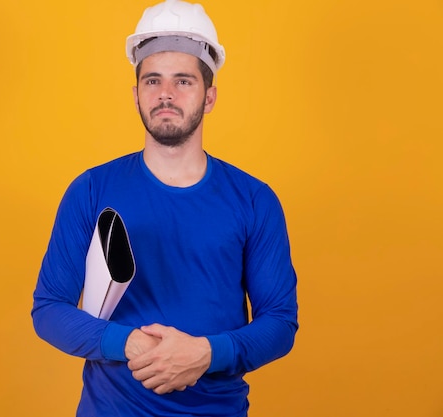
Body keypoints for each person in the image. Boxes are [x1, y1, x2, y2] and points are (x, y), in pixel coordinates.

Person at [31, 0, 298, 415]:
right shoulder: (90, 189)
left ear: (209, 97)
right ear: (136, 93)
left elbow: (280, 323)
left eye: (183, 81)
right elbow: (48, 309)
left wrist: (207, 353)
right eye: (152, 81)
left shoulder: (254, 200)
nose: (166, 95)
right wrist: (130, 343)